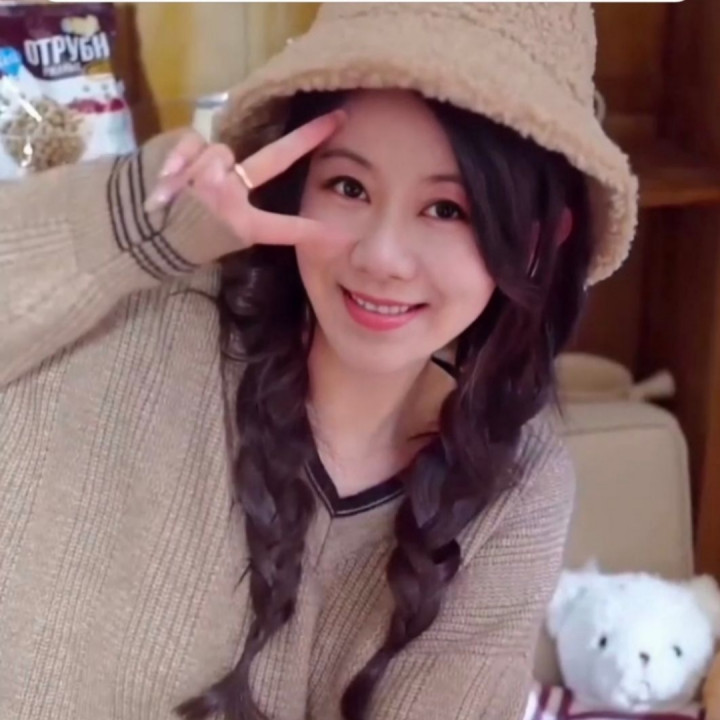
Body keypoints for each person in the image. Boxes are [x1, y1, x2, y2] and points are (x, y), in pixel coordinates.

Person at [0, 3, 638, 720]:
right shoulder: (141, 326)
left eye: (448, 210)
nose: (381, 257)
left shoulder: (515, 484)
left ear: (540, 239)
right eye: (348, 187)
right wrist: (140, 227)